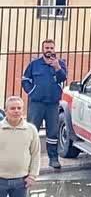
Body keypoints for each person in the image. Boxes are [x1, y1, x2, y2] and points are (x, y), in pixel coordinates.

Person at [0, 96, 38, 197]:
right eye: (12, 108)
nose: (16, 111)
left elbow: (35, 154)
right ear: (6, 111)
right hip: (0, 180)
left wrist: (32, 175)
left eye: (19, 108)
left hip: (21, 181)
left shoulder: (30, 130)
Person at [20, 39, 66, 170]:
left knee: (53, 132)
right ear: (42, 49)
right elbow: (25, 80)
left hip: (53, 104)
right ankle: (28, 160)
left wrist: (57, 67)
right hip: (37, 104)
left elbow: (63, 78)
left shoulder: (60, 64)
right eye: (47, 48)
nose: (49, 50)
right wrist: (32, 92)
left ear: (54, 49)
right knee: (32, 131)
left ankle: (53, 159)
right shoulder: (34, 64)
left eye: (51, 48)